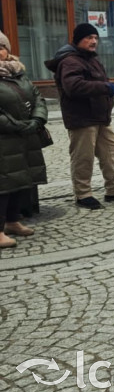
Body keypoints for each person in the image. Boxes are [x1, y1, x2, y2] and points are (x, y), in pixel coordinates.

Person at [44, 23, 114, 210]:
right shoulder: (70, 61)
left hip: (100, 116)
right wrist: (104, 88)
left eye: (95, 38)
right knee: (83, 157)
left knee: (112, 152)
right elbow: (74, 86)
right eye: (89, 38)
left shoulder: (91, 59)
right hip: (82, 118)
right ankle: (83, 194)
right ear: (78, 40)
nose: (93, 41)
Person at [0, 32, 48, 248]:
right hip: (5, 138)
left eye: (1, 47)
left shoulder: (19, 73)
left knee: (21, 180)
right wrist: (16, 125)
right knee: (3, 184)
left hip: (25, 137)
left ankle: (12, 221)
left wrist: (37, 119)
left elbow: (37, 97)